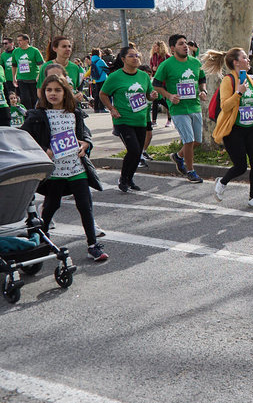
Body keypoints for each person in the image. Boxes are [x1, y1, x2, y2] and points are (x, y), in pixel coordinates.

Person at [22, 75, 107, 261]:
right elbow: (23, 137)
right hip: (55, 172)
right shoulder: (37, 115)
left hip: (77, 169)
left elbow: (84, 134)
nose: (53, 93)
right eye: (49, 90)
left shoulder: (74, 113)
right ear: (44, 93)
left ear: (65, 92)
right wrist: (44, 150)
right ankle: (42, 240)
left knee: (85, 206)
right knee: (52, 206)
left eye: (57, 90)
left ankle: (93, 245)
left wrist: (85, 144)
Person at [204, 48, 253, 209]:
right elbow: (225, 106)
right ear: (236, 62)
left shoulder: (252, 79)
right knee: (241, 166)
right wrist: (238, 93)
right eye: (244, 57)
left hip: (251, 127)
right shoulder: (228, 80)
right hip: (233, 129)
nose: (248, 59)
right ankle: (222, 182)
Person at [99, 45, 157, 192]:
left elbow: (148, 94)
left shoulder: (143, 76)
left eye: (137, 55)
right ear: (123, 59)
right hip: (123, 119)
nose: (135, 58)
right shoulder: (115, 77)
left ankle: (129, 178)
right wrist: (112, 109)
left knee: (137, 153)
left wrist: (153, 95)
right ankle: (123, 179)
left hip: (141, 119)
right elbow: (103, 94)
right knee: (133, 149)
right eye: (131, 56)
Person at [154, 34, 208, 183]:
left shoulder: (195, 62)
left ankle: (178, 156)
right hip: (178, 108)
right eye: (180, 44)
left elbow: (202, 79)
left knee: (197, 141)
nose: (185, 46)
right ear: (172, 48)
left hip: (194, 105)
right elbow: (156, 85)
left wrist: (203, 90)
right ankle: (190, 171)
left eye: (186, 43)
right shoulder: (166, 65)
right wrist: (169, 96)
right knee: (189, 140)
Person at [39, 37, 84, 102]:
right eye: (64, 46)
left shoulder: (75, 67)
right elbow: (39, 91)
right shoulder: (46, 66)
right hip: (52, 107)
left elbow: (75, 88)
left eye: (69, 47)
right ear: (55, 48)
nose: (68, 49)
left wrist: (79, 94)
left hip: (71, 106)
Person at [12, 34, 45, 109]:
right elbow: (14, 65)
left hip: (33, 79)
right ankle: (27, 115)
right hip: (21, 79)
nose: (18, 42)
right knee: (25, 98)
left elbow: (41, 65)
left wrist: (39, 76)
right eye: (18, 41)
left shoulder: (34, 51)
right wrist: (14, 78)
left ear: (26, 41)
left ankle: (36, 114)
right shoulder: (16, 51)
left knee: (34, 98)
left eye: (20, 40)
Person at [148, 40, 171, 128]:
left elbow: (169, 69)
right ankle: (154, 120)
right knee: (155, 99)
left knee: (167, 100)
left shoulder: (167, 57)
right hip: (156, 81)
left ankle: (169, 119)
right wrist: (152, 69)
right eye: (154, 46)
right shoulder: (153, 57)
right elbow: (150, 68)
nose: (154, 48)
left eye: (156, 46)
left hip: (165, 81)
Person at [89, 49, 109, 113]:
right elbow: (107, 69)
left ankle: (96, 108)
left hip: (96, 79)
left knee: (97, 94)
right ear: (98, 53)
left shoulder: (92, 60)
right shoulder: (100, 61)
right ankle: (101, 108)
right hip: (102, 78)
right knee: (103, 94)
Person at [1, 37, 15, 103]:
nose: (4, 45)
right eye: (3, 44)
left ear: (12, 43)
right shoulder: (3, 55)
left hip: (18, 78)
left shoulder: (17, 52)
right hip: (8, 79)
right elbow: (1, 67)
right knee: (10, 96)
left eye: (6, 43)